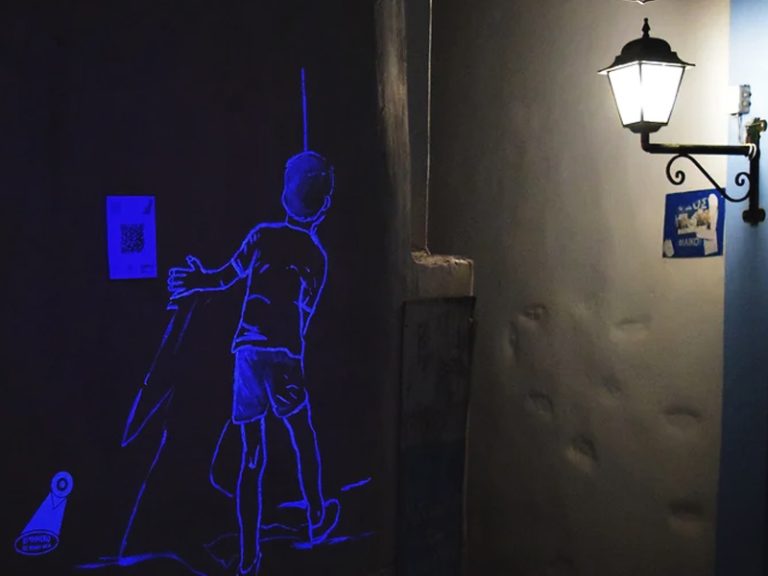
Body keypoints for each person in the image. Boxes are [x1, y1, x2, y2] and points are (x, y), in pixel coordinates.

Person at [167, 151, 339, 576]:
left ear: (284, 195)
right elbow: (307, 313)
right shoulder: (317, 256)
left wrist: (196, 280)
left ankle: (249, 557)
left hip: (247, 354)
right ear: (323, 207)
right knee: (302, 433)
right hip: (284, 355)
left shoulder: (262, 235)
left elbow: (224, 277)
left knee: (251, 455)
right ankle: (317, 515)